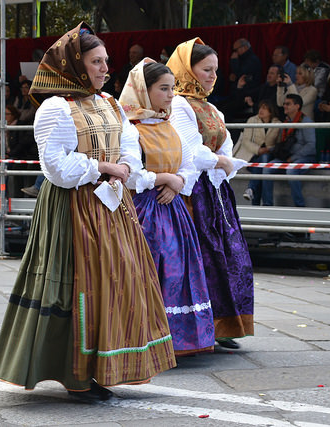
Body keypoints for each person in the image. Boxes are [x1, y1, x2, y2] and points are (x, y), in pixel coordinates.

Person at [0, 22, 175, 401]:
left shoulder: (108, 103)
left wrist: (130, 169)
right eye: (96, 62)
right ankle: (75, 373)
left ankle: (102, 367)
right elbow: (54, 167)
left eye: (106, 61)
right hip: (73, 207)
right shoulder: (56, 108)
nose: (105, 68)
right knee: (80, 285)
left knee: (118, 281)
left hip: (112, 206)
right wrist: (104, 168)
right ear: (75, 65)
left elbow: (129, 149)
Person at [119, 59, 214, 355]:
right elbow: (131, 173)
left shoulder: (168, 123)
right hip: (141, 209)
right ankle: (146, 338)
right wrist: (165, 178)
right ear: (143, 91)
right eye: (164, 88)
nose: (171, 94)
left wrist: (178, 181)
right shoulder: (129, 127)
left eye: (172, 88)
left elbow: (189, 163)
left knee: (178, 271)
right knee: (146, 271)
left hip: (171, 209)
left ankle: (180, 339)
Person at [167, 38, 253, 350]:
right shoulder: (178, 104)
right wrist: (221, 161)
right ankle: (200, 328)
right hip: (193, 193)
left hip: (216, 190)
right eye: (206, 69)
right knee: (200, 260)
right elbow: (192, 150)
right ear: (187, 70)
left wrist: (222, 162)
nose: (213, 76)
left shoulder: (211, 107)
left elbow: (227, 141)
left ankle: (224, 325)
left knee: (226, 257)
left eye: (215, 70)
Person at [261, 94, 316, 207]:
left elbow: (311, 146)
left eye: (288, 104)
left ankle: (299, 206)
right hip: (287, 157)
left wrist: (294, 158)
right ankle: (267, 205)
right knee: (267, 168)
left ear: (297, 106)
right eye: (284, 103)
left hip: (304, 158)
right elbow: (283, 144)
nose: (284, 106)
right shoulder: (285, 123)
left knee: (291, 171)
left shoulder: (306, 122)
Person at [233, 99, 281, 205]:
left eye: (264, 108)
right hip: (251, 156)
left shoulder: (278, 123)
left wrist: (269, 149)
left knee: (263, 165)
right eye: (260, 107)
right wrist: (259, 150)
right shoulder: (252, 120)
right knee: (263, 165)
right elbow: (246, 140)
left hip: (268, 156)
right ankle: (266, 204)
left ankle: (251, 192)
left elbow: (279, 143)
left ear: (271, 111)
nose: (261, 110)